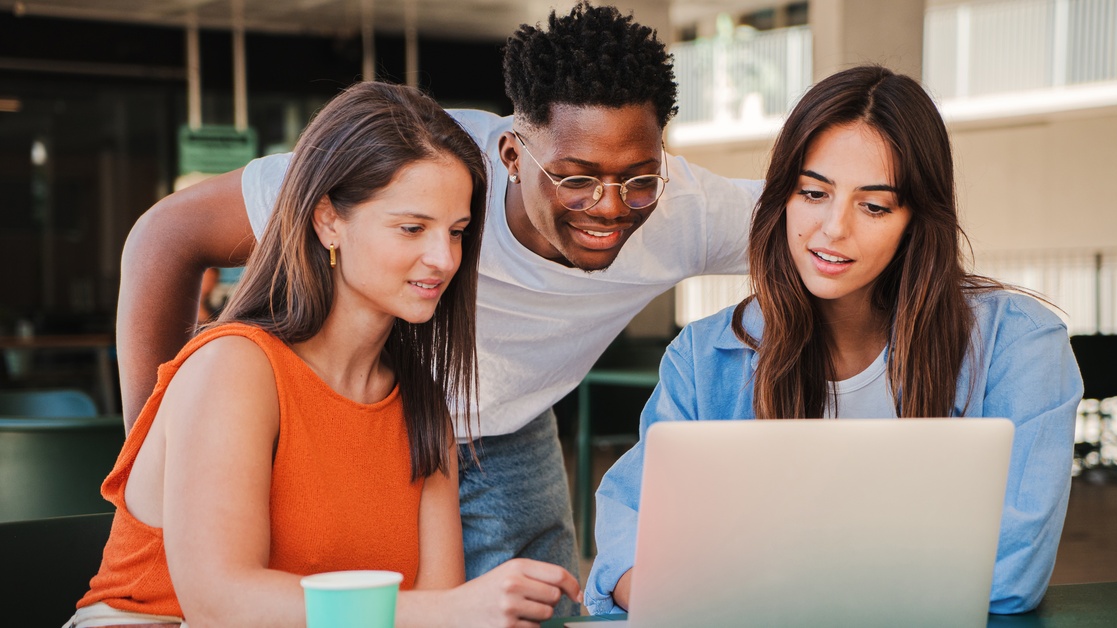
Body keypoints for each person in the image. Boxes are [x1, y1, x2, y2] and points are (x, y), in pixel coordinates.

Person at [115, 2, 760, 613]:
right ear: (512, 155)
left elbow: (830, 225)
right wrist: (162, 455)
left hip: (468, 410)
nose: (611, 204)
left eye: (457, 232)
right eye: (576, 177)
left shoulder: (426, 400)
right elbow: (164, 237)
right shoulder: (413, 164)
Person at [68, 82, 580, 628]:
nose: (443, 258)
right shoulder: (233, 366)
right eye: (412, 228)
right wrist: (452, 611)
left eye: (456, 232)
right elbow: (220, 605)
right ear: (328, 219)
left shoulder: (423, 403)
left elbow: (437, 611)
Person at [585, 65, 1084, 616]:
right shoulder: (706, 358)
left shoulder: (1020, 345)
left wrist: (741, 579)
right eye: (814, 193)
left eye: (874, 206)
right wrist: (668, 586)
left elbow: (1011, 575)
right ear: (782, 198)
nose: (833, 229)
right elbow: (628, 542)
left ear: (916, 219)